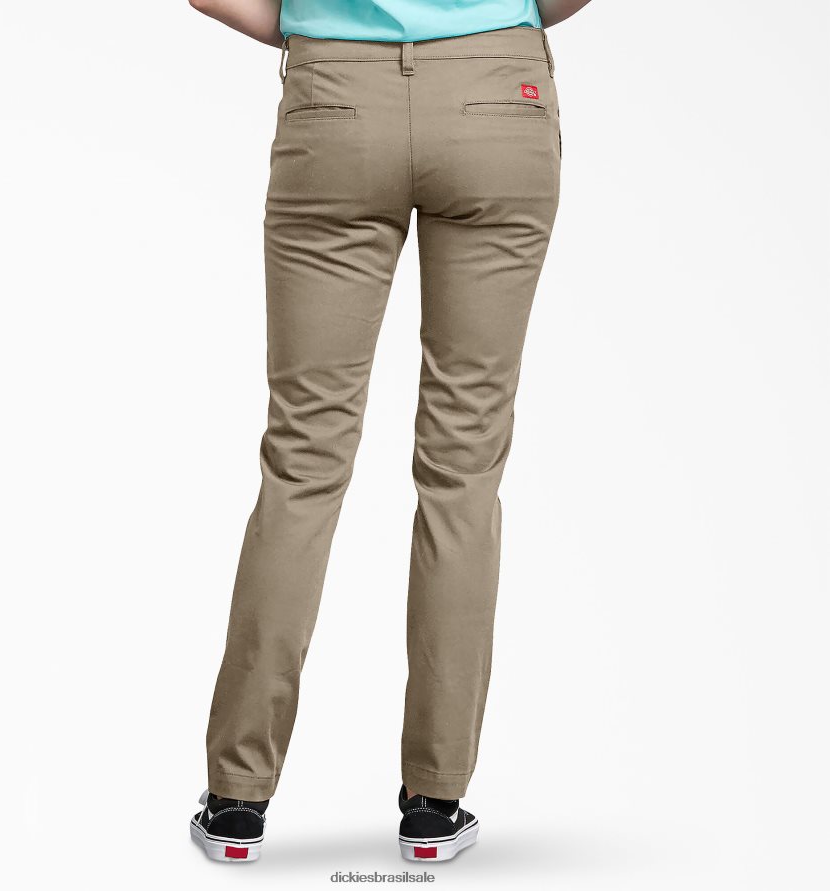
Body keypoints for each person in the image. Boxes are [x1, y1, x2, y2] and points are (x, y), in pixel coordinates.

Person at [187, 0, 593, 864]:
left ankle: (236, 801)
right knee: (463, 468)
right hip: (497, 94)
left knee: (301, 461)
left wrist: (317, 23)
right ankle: (434, 804)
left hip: (335, 99)